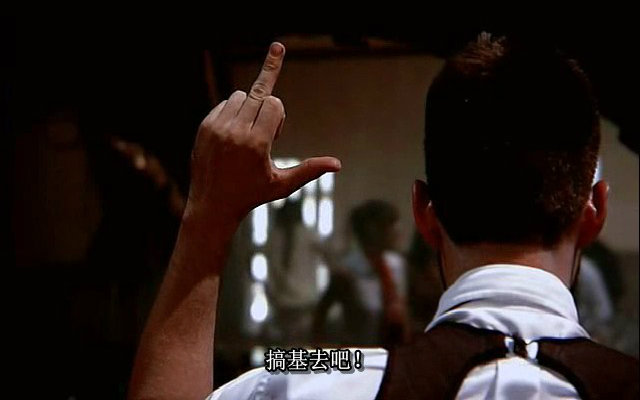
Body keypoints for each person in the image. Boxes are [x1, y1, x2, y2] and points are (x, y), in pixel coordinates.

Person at [128, 35, 638, 400]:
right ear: (594, 212)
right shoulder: (348, 286)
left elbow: (316, 357)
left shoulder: (308, 381)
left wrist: (208, 217)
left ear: (422, 212)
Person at [313, 200, 409, 347]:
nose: (397, 232)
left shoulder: (396, 265)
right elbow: (320, 316)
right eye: (390, 226)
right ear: (372, 230)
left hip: (394, 352)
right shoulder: (347, 271)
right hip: (361, 351)